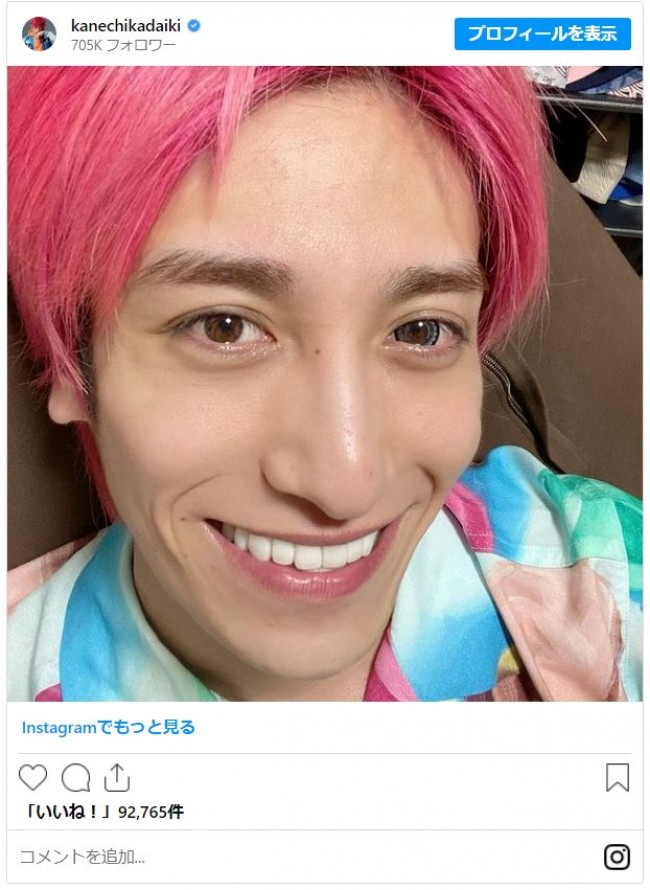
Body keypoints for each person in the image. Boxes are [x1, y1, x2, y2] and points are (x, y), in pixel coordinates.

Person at [8, 66, 642, 702]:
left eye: (421, 331)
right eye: (224, 327)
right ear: (74, 367)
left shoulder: (603, 572)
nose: (345, 484)